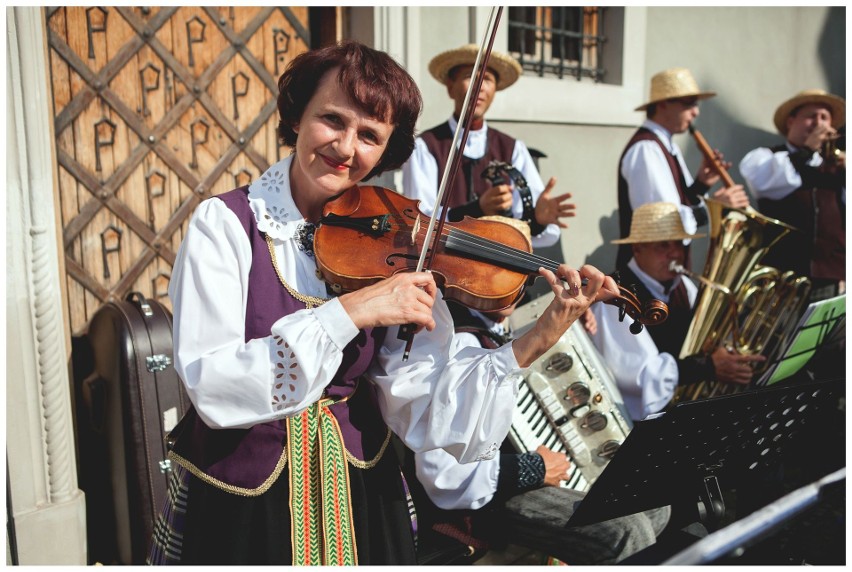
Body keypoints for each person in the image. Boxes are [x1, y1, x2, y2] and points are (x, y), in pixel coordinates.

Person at [146, 41, 619, 566]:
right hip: (246, 505)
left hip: (359, 496)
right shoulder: (227, 225)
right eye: (332, 120)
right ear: (298, 116)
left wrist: (535, 340)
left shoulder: (396, 250)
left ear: (387, 150)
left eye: (369, 135)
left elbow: (425, 411)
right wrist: (350, 312)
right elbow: (211, 383)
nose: (346, 148)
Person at [589, 202, 764, 421]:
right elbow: (643, 379)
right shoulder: (614, 297)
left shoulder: (682, 285)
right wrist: (709, 367)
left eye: (679, 244)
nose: (675, 253)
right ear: (637, 248)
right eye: (663, 245)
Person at [402, 44, 576, 249]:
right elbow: (419, 220)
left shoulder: (513, 148)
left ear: (494, 90)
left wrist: (537, 220)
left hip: (497, 272)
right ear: (451, 87)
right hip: (441, 267)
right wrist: (477, 209)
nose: (480, 87)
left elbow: (526, 229)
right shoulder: (426, 147)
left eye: (487, 79)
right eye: (470, 76)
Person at [617, 67, 750, 268]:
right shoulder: (646, 149)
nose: (696, 111)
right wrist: (713, 208)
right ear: (662, 105)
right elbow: (662, 224)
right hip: (649, 274)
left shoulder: (667, 146)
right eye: (689, 104)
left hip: (666, 270)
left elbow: (678, 203)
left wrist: (701, 184)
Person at [739, 89, 845, 301]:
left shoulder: (836, 166)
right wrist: (806, 151)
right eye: (811, 116)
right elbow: (766, 183)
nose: (819, 124)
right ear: (790, 122)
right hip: (782, 278)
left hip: (828, 278)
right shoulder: (768, 157)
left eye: (825, 118)